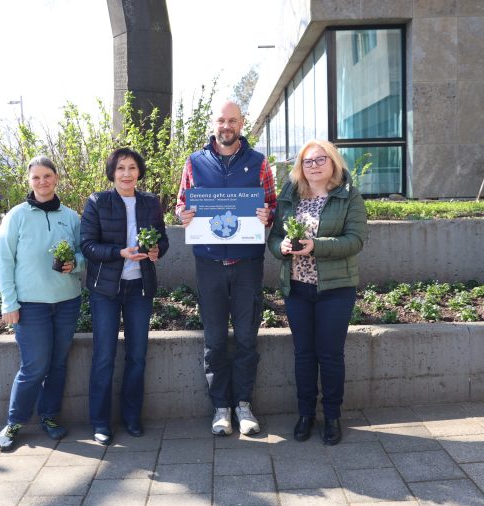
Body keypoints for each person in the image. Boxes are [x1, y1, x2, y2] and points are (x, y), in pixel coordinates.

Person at [175, 100, 277, 436]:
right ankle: (221, 408)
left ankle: (243, 406)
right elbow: (180, 204)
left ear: (242, 124)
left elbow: (272, 205)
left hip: (247, 263)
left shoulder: (259, 164)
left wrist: (267, 216)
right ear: (214, 123)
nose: (226, 126)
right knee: (215, 340)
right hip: (209, 263)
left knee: (247, 338)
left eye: (232, 120)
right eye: (221, 120)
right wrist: (183, 215)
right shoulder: (194, 162)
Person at [267, 139, 367, 445]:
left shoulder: (348, 196)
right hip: (296, 288)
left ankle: (332, 416)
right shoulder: (290, 196)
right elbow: (274, 238)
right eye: (308, 161)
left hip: (335, 289)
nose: (314, 166)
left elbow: (356, 240)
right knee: (304, 354)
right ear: (301, 167)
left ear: (333, 162)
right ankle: (305, 414)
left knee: (330, 354)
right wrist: (281, 248)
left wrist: (317, 246)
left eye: (320, 159)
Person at [0, 155, 85, 451]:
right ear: (29, 181)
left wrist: (77, 264)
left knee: (58, 364)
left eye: (47, 176)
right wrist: (9, 303)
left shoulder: (71, 217)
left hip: (67, 302)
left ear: (56, 178)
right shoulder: (16, 216)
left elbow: (84, 254)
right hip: (30, 305)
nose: (42, 182)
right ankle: (14, 422)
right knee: (34, 367)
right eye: (36, 177)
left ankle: (49, 416)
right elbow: (4, 261)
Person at [80, 147, 169, 446]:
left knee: (137, 357)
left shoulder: (150, 202)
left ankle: (132, 417)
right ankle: (100, 422)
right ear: (112, 173)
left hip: (139, 289)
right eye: (120, 169)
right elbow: (88, 246)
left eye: (131, 168)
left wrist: (157, 250)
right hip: (106, 290)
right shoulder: (97, 202)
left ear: (139, 172)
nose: (126, 174)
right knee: (104, 356)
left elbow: (162, 238)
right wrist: (118, 253)